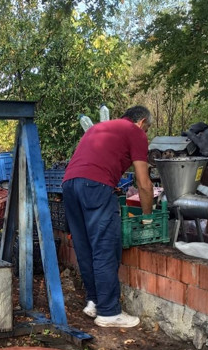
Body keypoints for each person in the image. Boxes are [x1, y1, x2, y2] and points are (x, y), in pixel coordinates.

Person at [62, 105, 155, 328]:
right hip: (95, 186)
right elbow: (144, 183)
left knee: (85, 248)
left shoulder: (102, 128)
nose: (147, 134)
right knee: (105, 246)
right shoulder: (136, 132)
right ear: (142, 122)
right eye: (148, 129)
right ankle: (109, 312)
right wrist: (147, 217)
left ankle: (94, 301)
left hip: (69, 185)